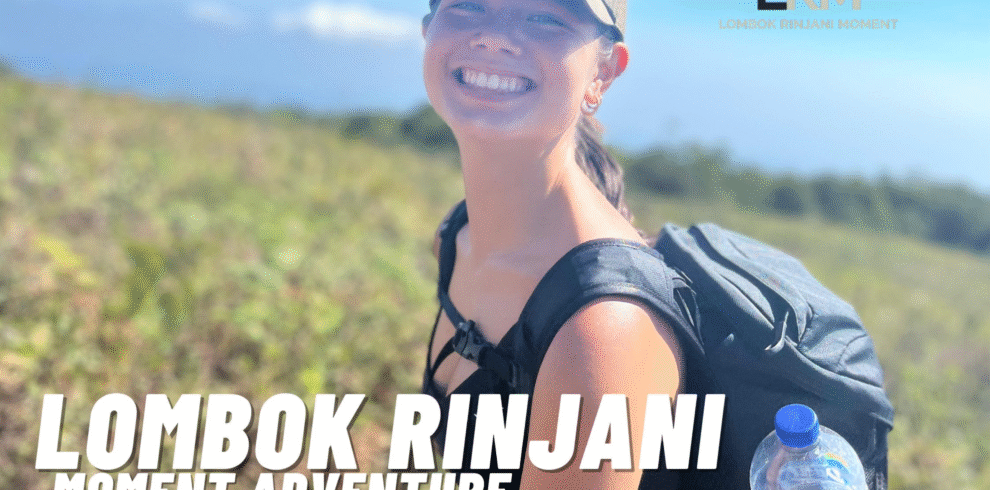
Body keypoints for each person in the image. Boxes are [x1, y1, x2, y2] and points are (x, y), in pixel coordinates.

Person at [419, 0, 691, 488]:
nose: (493, 37)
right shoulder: (456, 239)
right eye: (467, 6)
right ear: (427, 30)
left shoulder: (602, 326)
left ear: (603, 73)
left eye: (543, 17)